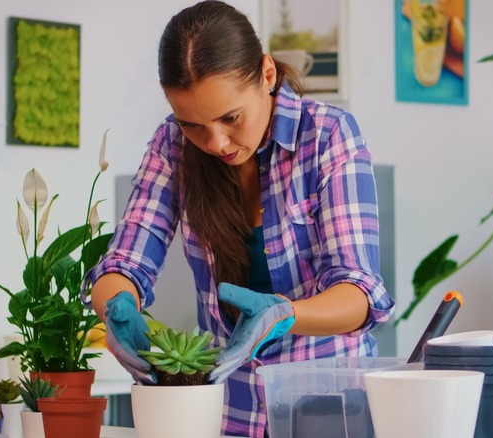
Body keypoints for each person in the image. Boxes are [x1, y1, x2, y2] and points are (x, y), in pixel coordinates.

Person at [82, 1, 395, 436]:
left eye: (231, 117)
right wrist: (116, 307)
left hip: (327, 404)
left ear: (267, 75)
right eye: (192, 123)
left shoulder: (327, 137)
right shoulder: (172, 145)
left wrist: (283, 314)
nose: (216, 142)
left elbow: (358, 293)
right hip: (230, 410)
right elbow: (124, 263)